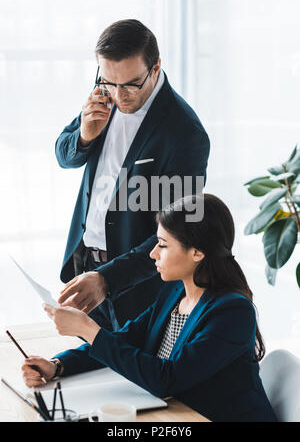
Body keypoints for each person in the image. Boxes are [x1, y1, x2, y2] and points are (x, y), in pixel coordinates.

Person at [22, 194, 277, 422]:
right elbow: (126, 340)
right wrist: (57, 365)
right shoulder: (174, 291)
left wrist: (89, 329)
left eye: (163, 245)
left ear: (197, 253)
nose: (153, 253)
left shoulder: (233, 312)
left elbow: (167, 380)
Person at [55, 19, 210, 331]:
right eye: (109, 82)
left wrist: (108, 279)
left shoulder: (185, 134)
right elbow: (63, 154)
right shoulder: (107, 90)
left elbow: (177, 231)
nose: (119, 96)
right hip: (85, 266)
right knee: (78, 366)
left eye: (130, 84)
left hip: (138, 286)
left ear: (155, 68)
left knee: (128, 371)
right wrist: (84, 136)